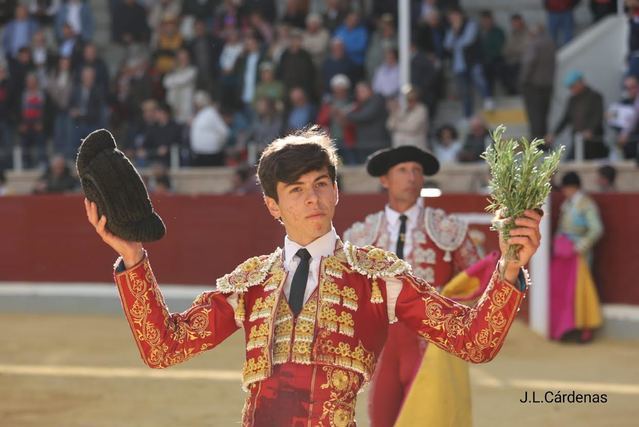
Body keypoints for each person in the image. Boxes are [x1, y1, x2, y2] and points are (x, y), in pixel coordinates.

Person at [84, 128, 541, 426]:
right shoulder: (251, 283)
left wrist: (509, 268)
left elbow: (473, 341)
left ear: (336, 189)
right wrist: (133, 258)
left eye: (321, 183)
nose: (313, 199)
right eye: (296, 190)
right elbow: (165, 348)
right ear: (272, 205)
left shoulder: (379, 277)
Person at [343, 145, 494, 427]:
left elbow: (477, 281)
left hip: (430, 342)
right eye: (402, 170)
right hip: (381, 345)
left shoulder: (448, 229)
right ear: (385, 180)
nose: (411, 177)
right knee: (382, 418)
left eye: (416, 171)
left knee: (429, 417)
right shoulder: (361, 235)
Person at [550, 171, 603, 343]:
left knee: (581, 291)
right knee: (566, 292)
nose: (564, 191)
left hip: (580, 256)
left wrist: (581, 246)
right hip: (565, 254)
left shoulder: (586, 205)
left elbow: (596, 229)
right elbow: (561, 229)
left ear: (572, 188)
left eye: (565, 188)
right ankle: (567, 328)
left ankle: (585, 329)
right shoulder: (568, 204)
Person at [547, 70, 607, 159]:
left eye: (573, 86)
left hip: (593, 141)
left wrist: (591, 130)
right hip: (577, 140)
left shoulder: (595, 97)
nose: (571, 89)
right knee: (572, 161)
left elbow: (598, 116)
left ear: (581, 83)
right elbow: (565, 119)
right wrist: (554, 134)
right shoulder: (572, 100)